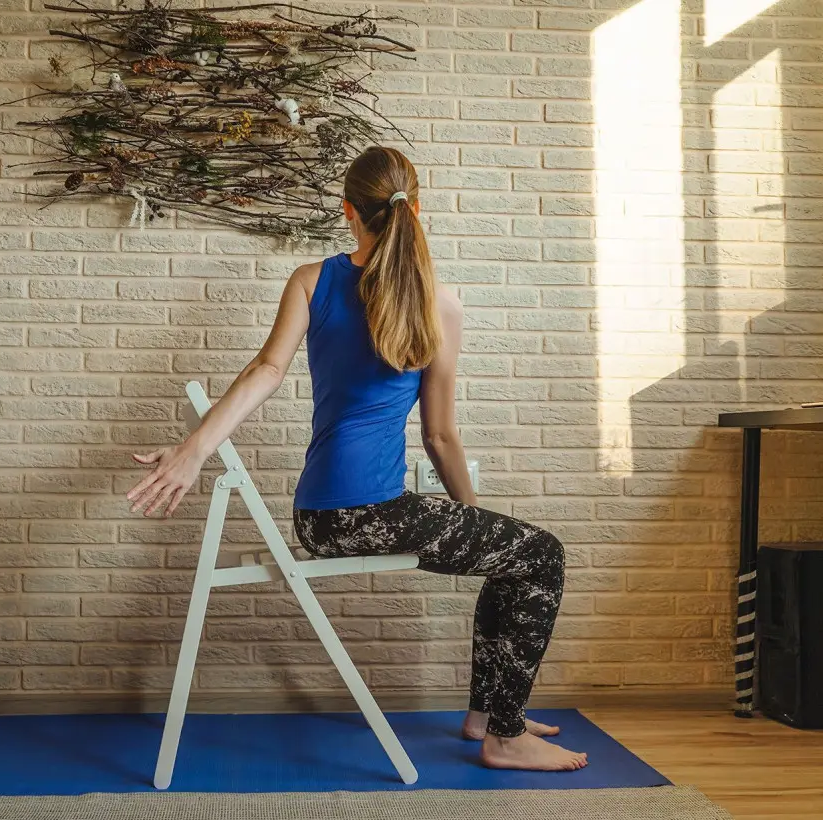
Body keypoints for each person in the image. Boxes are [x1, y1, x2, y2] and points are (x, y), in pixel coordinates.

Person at [127, 146, 587, 772]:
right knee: (541, 555)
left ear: (349, 212)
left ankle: (489, 712)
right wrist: (471, 518)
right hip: (373, 513)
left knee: (512, 558)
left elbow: (266, 370)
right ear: (416, 209)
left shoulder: (312, 280)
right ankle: (504, 737)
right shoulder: (440, 306)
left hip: (319, 515)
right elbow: (440, 437)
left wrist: (192, 451)